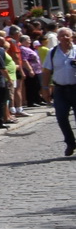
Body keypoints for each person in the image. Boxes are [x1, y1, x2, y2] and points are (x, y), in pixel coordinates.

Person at [47, 27, 76, 156]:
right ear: (58, 38)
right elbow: (46, 71)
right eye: (62, 36)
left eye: (67, 35)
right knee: (61, 117)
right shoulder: (52, 52)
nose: (65, 38)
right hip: (60, 89)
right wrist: (44, 88)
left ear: (72, 37)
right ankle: (70, 143)